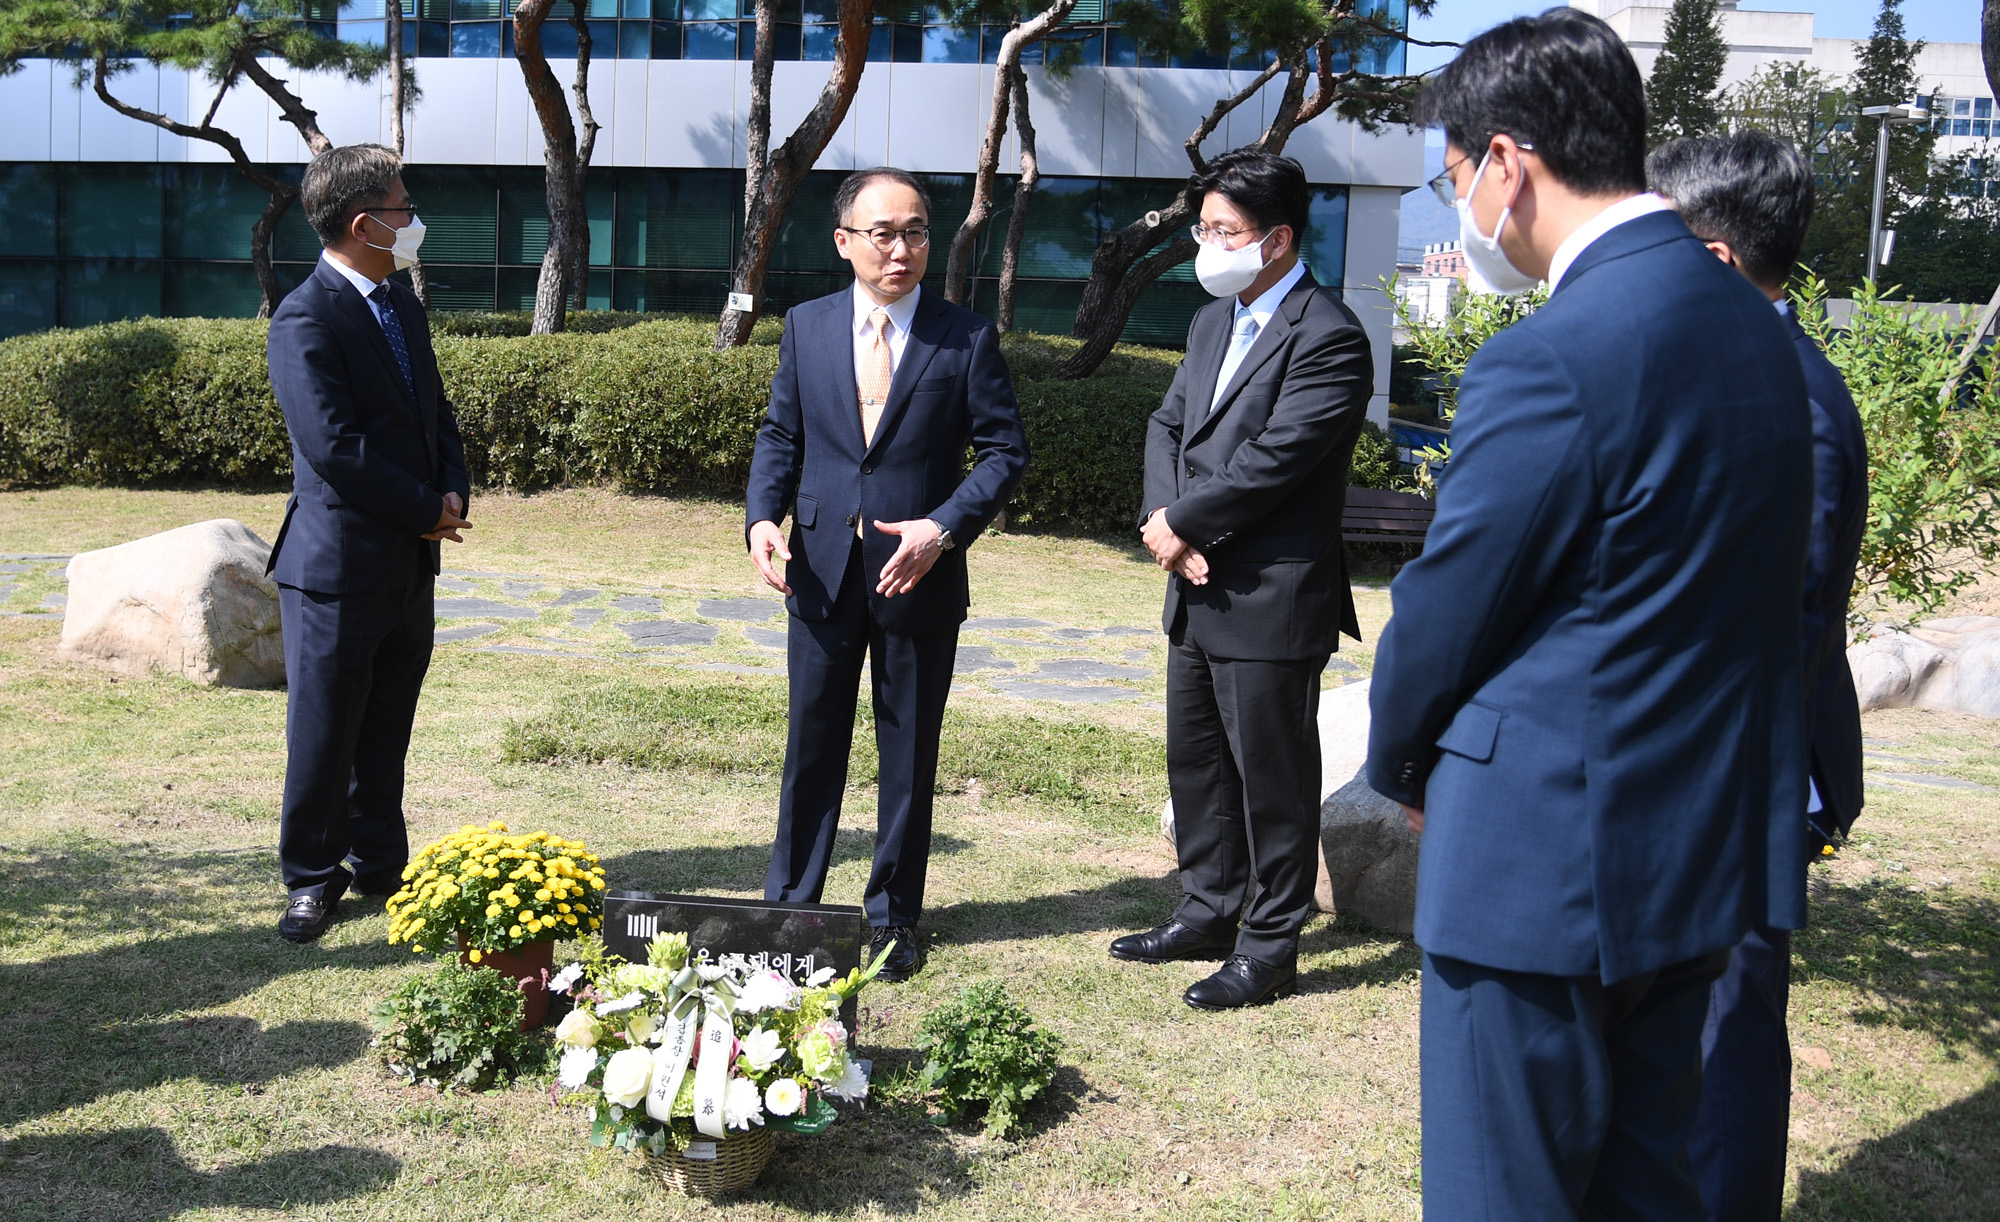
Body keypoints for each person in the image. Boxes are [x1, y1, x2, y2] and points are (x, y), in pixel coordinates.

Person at [1363, 11, 1815, 1218]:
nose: (1458, 207)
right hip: (1696, 847)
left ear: (1504, 162)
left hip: (1534, 861)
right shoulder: (1764, 337)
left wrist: (1400, 759)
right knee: (1645, 1185)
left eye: (1451, 177)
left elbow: (1448, 607)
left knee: (1500, 1192)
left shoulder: (1548, 355)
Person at [1648, 130, 1869, 1222]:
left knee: (1727, 1035)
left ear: (1719, 260)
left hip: (1744, 768)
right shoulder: (1736, 371)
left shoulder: (1796, 400)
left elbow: (1778, 621)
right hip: (1697, 761)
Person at [745, 167, 1029, 983]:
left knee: (908, 753)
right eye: (883, 233)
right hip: (820, 570)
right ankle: (791, 903)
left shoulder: (964, 336)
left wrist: (944, 529)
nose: (900, 249)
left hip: (920, 574)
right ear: (845, 243)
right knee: (812, 746)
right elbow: (781, 434)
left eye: (915, 233)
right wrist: (763, 519)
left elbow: (1006, 452)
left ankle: (895, 916)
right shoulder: (806, 325)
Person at [1109, 149, 1373, 1012]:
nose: (1206, 245)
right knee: (1200, 767)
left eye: (1224, 231)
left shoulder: (1328, 335)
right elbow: (1166, 423)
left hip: (1270, 593)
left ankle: (1270, 946)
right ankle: (1209, 909)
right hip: (1195, 580)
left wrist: (1182, 524)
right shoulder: (1212, 320)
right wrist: (1163, 524)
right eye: (1204, 228)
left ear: (1278, 238)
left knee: (1272, 780)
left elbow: (1276, 463)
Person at [265, 143, 471, 944]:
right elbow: (333, 446)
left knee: (388, 723)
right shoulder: (305, 316)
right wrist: (424, 507)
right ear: (361, 223)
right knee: (324, 733)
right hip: (335, 567)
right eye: (401, 207)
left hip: (408, 559)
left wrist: (452, 487)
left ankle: (381, 865)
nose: (413, 221)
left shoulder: (400, 303)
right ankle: (311, 879)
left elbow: (433, 412)